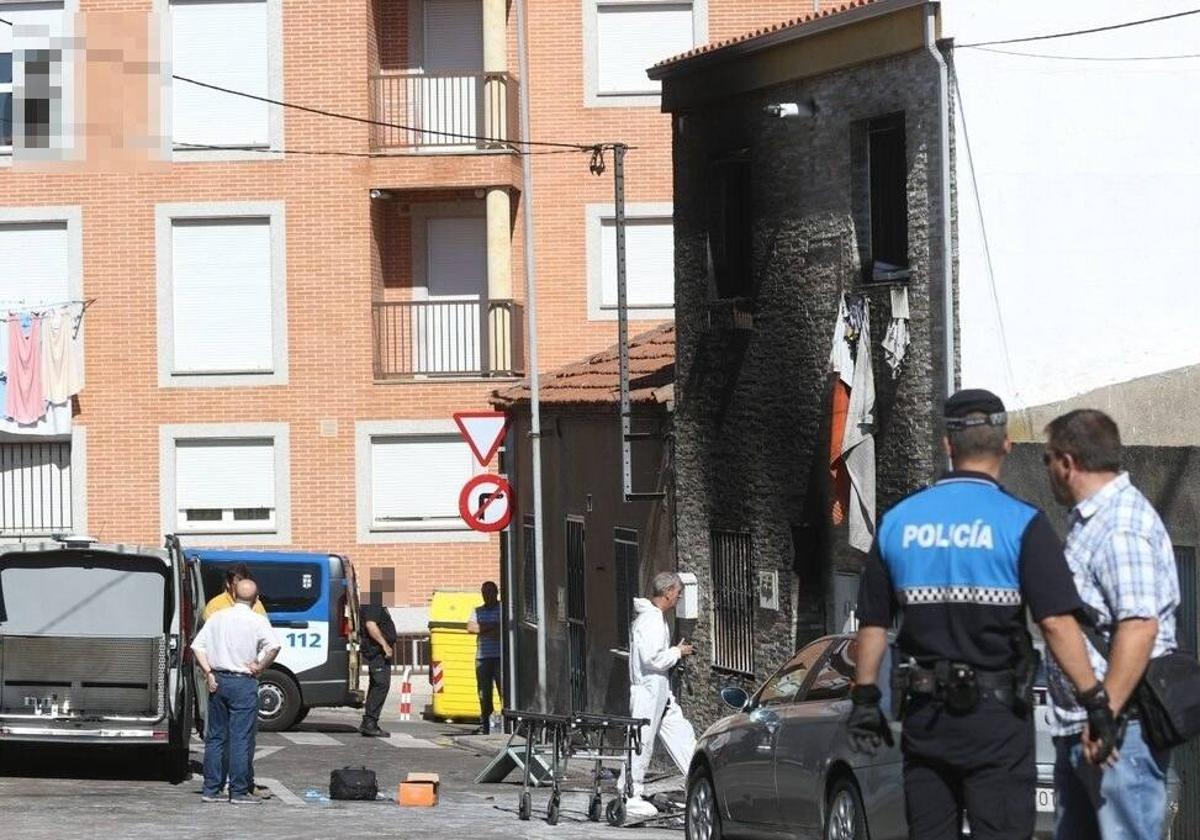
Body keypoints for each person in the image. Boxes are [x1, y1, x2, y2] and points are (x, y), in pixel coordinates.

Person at [850, 389, 1119, 840]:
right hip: (996, 725)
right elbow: (1055, 624)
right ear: (1006, 446)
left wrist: (864, 699)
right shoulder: (1023, 524)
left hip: (926, 719)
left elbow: (874, 624)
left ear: (947, 445)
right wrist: (1096, 702)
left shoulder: (899, 522)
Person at [1042, 409, 1180, 840]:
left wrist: (1107, 714)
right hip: (1089, 726)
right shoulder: (1091, 520)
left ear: (1067, 462)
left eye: (1048, 459)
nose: (1047, 470)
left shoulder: (1120, 526)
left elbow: (1140, 626)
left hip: (1121, 732)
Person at [191, 578, 281, 804]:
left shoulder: (217, 618)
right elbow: (274, 646)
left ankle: (211, 789)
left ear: (232, 595)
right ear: (256, 599)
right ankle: (239, 791)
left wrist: (208, 671)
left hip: (218, 680)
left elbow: (196, 646)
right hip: (243, 681)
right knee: (240, 738)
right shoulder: (257, 620)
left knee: (216, 738)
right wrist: (260, 666)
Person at [617, 571, 697, 821]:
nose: (680, 596)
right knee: (641, 743)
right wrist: (677, 651)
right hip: (649, 691)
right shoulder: (650, 621)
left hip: (661, 691)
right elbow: (651, 659)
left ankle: (701, 778)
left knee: (682, 734)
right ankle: (629, 793)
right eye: (678, 592)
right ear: (668, 592)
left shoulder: (656, 618)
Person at [358, 568, 397, 738]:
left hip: (378, 651)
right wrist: (385, 645)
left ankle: (369, 721)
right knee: (381, 685)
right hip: (377, 652)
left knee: (377, 684)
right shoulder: (373, 602)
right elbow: (371, 625)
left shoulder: (375, 602)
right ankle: (370, 722)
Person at [467, 581, 503, 735]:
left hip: (500, 657)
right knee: (483, 693)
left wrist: (482, 628)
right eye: (484, 592)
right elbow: (470, 628)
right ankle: (486, 725)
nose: (486, 595)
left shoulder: (503, 608)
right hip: (482, 657)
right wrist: (491, 627)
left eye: (489, 592)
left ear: (496, 593)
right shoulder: (477, 610)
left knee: (504, 692)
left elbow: (502, 628)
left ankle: (507, 724)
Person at [202, 563, 268, 621]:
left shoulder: (256, 604)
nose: (241, 589)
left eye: (244, 585)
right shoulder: (215, 605)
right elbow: (210, 631)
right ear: (228, 583)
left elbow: (264, 628)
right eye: (237, 585)